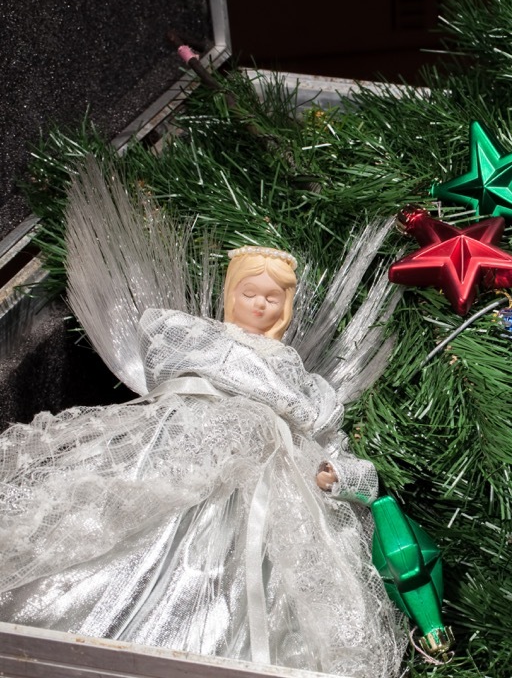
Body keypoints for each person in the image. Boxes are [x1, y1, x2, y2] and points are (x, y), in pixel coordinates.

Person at [0, 245, 404, 678]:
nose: (261, 305)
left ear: (286, 307)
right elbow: (164, 365)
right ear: (231, 295)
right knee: (137, 523)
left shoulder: (300, 378)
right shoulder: (200, 340)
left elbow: (329, 440)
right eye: (250, 293)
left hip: (267, 478)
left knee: (252, 568)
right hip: (191, 451)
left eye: (273, 298)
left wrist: (341, 475)